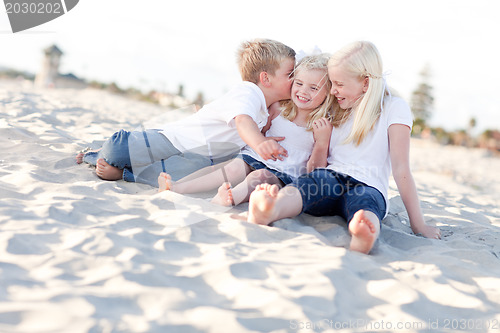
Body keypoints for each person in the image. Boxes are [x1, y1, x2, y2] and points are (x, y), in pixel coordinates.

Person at [247, 41, 441, 254]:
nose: (333, 90)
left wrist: (418, 224)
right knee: (311, 184)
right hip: (331, 176)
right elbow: (315, 166)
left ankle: (364, 233)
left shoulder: (394, 107)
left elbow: (401, 169)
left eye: (339, 84)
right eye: (332, 83)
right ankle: (271, 208)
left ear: (365, 84)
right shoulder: (336, 106)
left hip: (369, 184)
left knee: (366, 204)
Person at [76, 39, 295, 187]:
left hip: (201, 158)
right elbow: (242, 121)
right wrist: (260, 143)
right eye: (290, 74)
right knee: (118, 149)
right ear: (265, 79)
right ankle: (96, 153)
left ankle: (124, 174)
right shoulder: (248, 92)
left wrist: (265, 135)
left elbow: (251, 128)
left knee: (175, 177)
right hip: (174, 139)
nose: (295, 80)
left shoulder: (265, 107)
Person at [158, 54, 335, 206]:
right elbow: (261, 131)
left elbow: (315, 171)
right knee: (233, 168)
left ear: (327, 93)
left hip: (285, 173)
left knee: (260, 176)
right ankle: (177, 187)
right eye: (299, 83)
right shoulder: (279, 108)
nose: (303, 91)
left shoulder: (321, 125)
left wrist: (322, 142)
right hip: (256, 157)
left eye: (313, 88)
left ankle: (229, 198)